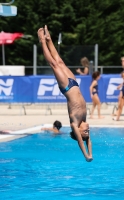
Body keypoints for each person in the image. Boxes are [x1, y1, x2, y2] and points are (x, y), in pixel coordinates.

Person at [37, 25, 93, 162]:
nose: (88, 130)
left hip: (67, 88)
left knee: (54, 65)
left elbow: (82, 142)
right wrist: (91, 153)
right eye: (88, 132)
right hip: (75, 84)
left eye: (85, 132)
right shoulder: (84, 120)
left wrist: (86, 155)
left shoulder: (75, 123)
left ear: (77, 132)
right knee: (60, 62)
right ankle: (49, 39)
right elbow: (88, 141)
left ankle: (42, 42)